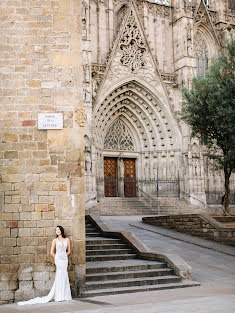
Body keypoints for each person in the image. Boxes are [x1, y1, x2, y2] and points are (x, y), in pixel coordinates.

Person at [18, 226, 72, 305]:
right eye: (56, 230)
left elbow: (69, 251)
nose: (57, 231)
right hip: (58, 260)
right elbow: (51, 252)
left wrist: (64, 257)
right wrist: (57, 258)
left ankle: (65, 295)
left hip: (64, 260)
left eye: (58, 229)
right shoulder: (55, 240)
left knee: (65, 275)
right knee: (59, 275)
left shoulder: (67, 240)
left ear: (61, 231)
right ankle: (59, 296)